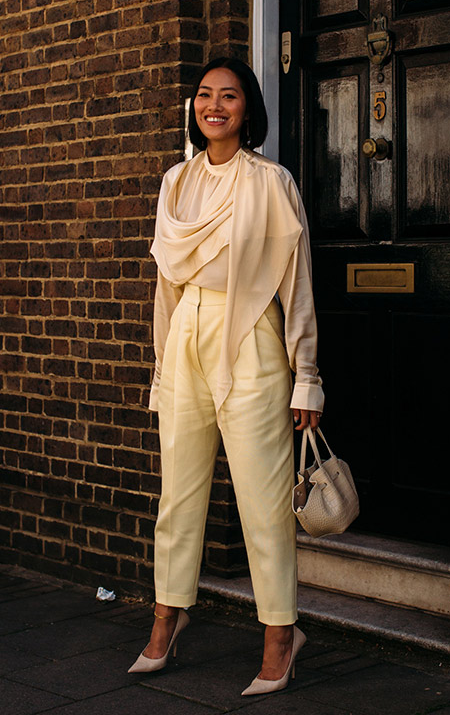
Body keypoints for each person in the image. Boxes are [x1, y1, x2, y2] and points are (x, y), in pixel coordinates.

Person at [128, 57, 324, 696]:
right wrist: (162, 367)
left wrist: (307, 377)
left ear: (248, 108)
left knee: (263, 502)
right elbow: (165, 286)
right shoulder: (175, 184)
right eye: (205, 95)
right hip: (186, 333)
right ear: (194, 107)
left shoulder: (271, 182)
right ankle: (167, 617)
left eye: (230, 96)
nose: (215, 105)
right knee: (178, 494)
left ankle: (280, 634)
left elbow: (296, 284)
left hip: (253, 339)